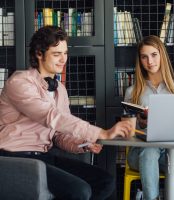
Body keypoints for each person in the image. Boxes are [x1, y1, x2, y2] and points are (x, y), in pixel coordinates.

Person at [0, 26, 132, 200]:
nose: (63, 59)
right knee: (79, 190)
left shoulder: (59, 89)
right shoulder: (19, 82)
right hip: (14, 158)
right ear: (39, 54)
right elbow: (51, 117)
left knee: (106, 182)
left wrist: (82, 143)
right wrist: (101, 132)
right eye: (56, 54)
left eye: (65, 53)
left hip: (43, 156)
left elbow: (59, 135)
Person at [124, 35, 174, 200]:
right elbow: (128, 132)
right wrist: (140, 124)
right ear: (140, 60)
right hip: (140, 151)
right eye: (144, 57)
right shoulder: (132, 92)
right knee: (149, 151)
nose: (150, 61)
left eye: (154, 55)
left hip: (171, 151)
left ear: (162, 55)